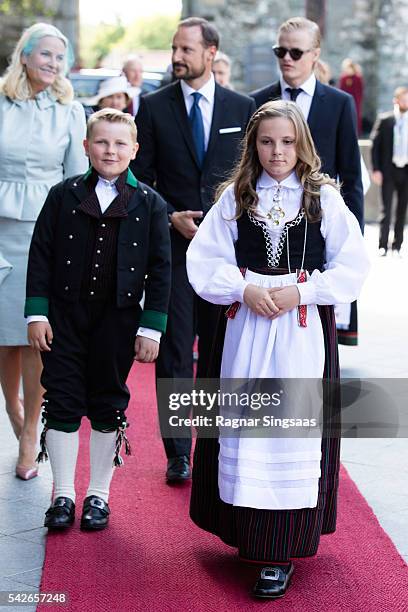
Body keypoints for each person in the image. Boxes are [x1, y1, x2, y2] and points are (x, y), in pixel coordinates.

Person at [186, 100, 369, 599]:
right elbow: (203, 261)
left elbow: (352, 265)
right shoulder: (236, 197)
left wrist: (302, 292)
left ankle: (279, 552)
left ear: (302, 143)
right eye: (266, 141)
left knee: (291, 433)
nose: (277, 152)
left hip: (301, 331)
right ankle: (246, 533)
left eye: (287, 142)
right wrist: (244, 290)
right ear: (253, 144)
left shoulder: (321, 199)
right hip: (246, 328)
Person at [25, 108, 171, 531]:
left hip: (119, 320)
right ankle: (64, 495)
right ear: (86, 147)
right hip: (64, 317)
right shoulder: (63, 194)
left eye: (120, 143)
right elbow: (41, 254)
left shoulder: (149, 203)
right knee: (64, 399)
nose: (110, 150)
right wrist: (37, 312)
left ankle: (98, 497)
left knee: (108, 400)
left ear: (135, 150)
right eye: (102, 142)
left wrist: (151, 326)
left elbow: (161, 269)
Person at [131, 17, 255, 482]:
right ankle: (179, 452)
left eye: (186, 49)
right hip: (175, 251)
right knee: (176, 350)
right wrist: (167, 218)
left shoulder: (243, 107)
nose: (177, 57)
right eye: (174, 48)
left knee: (224, 351)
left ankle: (217, 447)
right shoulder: (153, 106)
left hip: (230, 256)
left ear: (210, 52)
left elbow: (254, 175)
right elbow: (138, 179)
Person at [0, 22, 88, 480]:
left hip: (45, 231)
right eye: (46, 55)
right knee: (4, 336)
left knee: (35, 335)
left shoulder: (69, 110)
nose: (54, 64)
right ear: (26, 56)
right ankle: (14, 411)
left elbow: (75, 180)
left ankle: (31, 430)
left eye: (61, 56)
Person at [250, 16, 364, 346]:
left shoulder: (339, 103)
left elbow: (351, 177)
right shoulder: (257, 101)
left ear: (315, 54)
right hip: (266, 232)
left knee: (315, 340)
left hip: (317, 229)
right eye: (280, 51)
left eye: (296, 52)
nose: (287, 58)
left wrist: (349, 234)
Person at [371, 86, 408, 256]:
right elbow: (375, 146)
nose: (406, 102)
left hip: (406, 171)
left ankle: (397, 246)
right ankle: (382, 245)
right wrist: (376, 169)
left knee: (402, 210)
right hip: (388, 170)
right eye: (403, 98)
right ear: (396, 100)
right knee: (386, 209)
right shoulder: (385, 120)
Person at [338, 58, 364, 136]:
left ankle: (356, 132)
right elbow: (341, 90)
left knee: (355, 116)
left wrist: (358, 101)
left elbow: (360, 91)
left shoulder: (358, 78)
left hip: (355, 101)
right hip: (345, 101)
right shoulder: (343, 78)